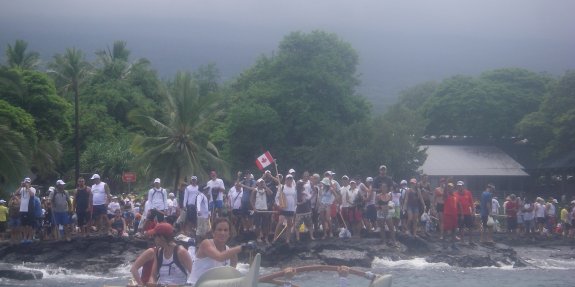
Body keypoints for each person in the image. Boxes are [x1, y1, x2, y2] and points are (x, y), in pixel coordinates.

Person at [188, 218, 256, 286]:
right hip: (197, 284)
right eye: (219, 230)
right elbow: (219, 257)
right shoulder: (206, 243)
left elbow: (231, 276)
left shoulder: (231, 254)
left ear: (229, 234)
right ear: (213, 233)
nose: (222, 233)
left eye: (225, 230)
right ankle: (190, 246)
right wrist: (243, 247)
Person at [273, 174, 297, 244]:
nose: (289, 180)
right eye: (288, 179)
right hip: (283, 208)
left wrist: (295, 208)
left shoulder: (294, 188)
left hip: (291, 208)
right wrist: (278, 205)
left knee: (289, 224)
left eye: (290, 179)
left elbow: (295, 199)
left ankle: (287, 239)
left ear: (292, 180)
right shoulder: (282, 187)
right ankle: (275, 238)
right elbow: (276, 197)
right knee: (280, 222)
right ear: (286, 180)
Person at [249, 178, 273, 243]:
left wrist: (265, 187)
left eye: (263, 182)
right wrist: (254, 208)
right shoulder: (255, 190)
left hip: (265, 209)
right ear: (258, 183)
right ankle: (258, 237)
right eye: (261, 183)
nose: (262, 184)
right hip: (257, 210)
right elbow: (251, 200)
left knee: (266, 225)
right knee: (257, 225)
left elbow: (271, 193)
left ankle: (266, 237)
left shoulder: (265, 190)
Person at [17, 177, 36, 243]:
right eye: (26, 182)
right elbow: (16, 193)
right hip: (22, 208)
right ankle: (24, 237)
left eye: (28, 182)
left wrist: (28, 187)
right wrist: (20, 186)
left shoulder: (32, 189)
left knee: (30, 224)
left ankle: (29, 237)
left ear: (30, 182)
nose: (27, 183)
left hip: (29, 209)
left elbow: (32, 195)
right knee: (23, 224)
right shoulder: (22, 189)